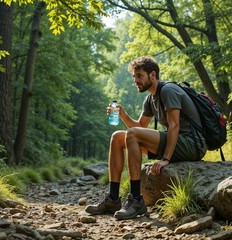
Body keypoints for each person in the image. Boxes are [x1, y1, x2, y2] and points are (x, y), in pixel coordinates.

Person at [85, 56, 207, 220]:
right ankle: (113, 198)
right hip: (178, 142)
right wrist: (123, 115)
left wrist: (165, 159)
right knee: (117, 137)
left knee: (132, 134)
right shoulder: (150, 98)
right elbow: (140, 127)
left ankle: (136, 199)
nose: (136, 80)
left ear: (153, 75)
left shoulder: (168, 90)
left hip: (192, 144)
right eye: (134, 77)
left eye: (139, 76)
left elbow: (174, 126)